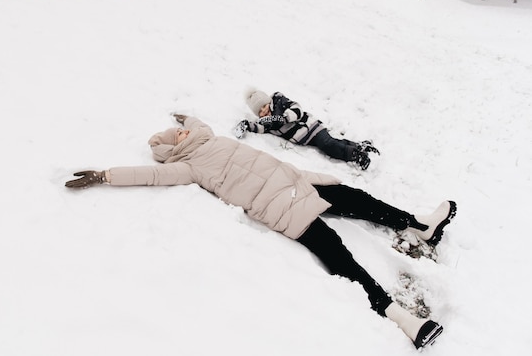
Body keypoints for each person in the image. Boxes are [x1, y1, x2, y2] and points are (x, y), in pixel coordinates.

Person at [65, 114, 456, 350]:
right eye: (174, 138)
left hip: (300, 182)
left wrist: (184, 119)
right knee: (337, 254)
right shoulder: (186, 167)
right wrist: (105, 175)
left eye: (179, 131)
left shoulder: (209, 136)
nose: (181, 135)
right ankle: (402, 318)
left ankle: (421, 227)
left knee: (357, 197)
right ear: (170, 150)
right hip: (282, 207)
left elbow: (197, 123)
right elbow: (149, 175)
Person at [235, 89, 380, 170]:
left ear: (268, 101)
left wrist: (283, 118)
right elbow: (260, 127)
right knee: (332, 142)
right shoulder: (268, 121)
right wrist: (247, 125)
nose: (264, 111)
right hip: (306, 139)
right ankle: (360, 146)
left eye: (264, 106)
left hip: (312, 128)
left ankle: (356, 156)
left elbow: (297, 109)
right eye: (259, 111)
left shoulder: (279, 101)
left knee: (327, 145)